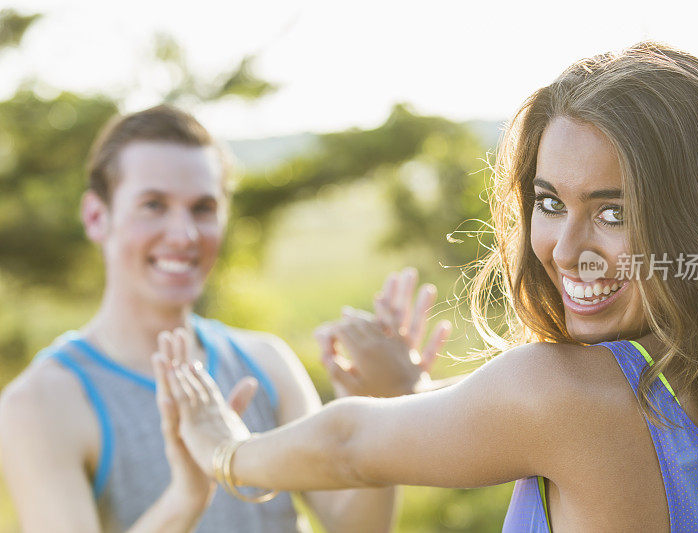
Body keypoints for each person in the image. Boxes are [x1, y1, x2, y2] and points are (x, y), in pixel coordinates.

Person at [153, 41, 698, 532]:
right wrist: (411, 396)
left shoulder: (566, 392)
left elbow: (348, 445)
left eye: (614, 212)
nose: (567, 250)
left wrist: (223, 448)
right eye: (549, 202)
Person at [0, 105, 449, 532]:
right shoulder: (40, 403)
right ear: (97, 217)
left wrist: (381, 407)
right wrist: (186, 498)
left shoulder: (265, 362)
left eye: (203, 208)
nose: (184, 235)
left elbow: (356, 526)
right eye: (153, 205)